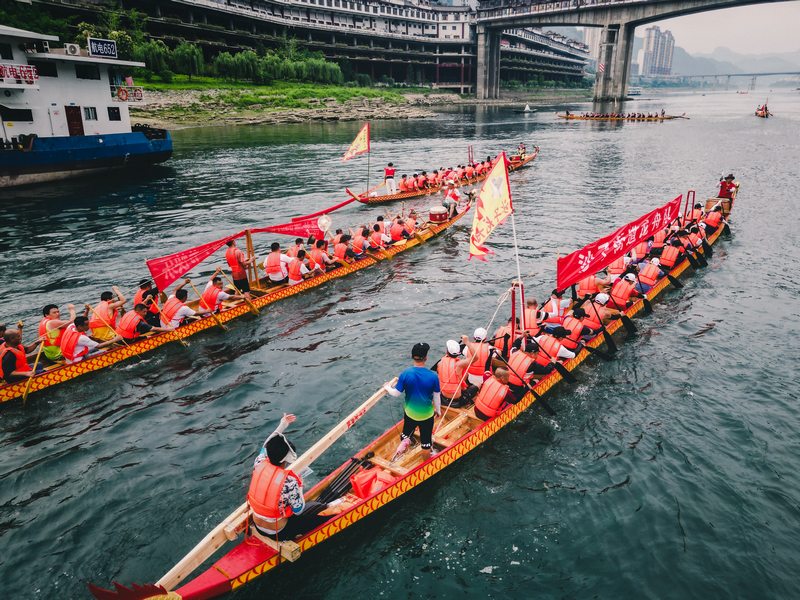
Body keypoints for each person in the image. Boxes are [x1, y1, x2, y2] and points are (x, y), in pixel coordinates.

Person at [247, 414, 330, 540]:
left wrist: (282, 425)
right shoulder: (289, 481)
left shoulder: (259, 462)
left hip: (258, 525)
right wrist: (299, 484)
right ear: (285, 460)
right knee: (317, 510)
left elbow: (266, 445)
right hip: (279, 532)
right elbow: (298, 509)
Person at [384, 342, 442, 461]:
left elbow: (395, 393)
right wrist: (439, 411)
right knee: (426, 444)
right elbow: (437, 397)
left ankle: (402, 452)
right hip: (426, 416)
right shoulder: (433, 376)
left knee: (406, 435)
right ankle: (425, 463)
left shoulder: (405, 373)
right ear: (426, 358)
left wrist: (387, 387)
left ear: (412, 356)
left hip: (410, 413)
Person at [436, 340, 473, 408]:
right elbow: (474, 357)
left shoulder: (440, 363)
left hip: (444, 398)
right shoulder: (460, 364)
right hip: (457, 401)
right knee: (476, 386)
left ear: (447, 352)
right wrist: (467, 342)